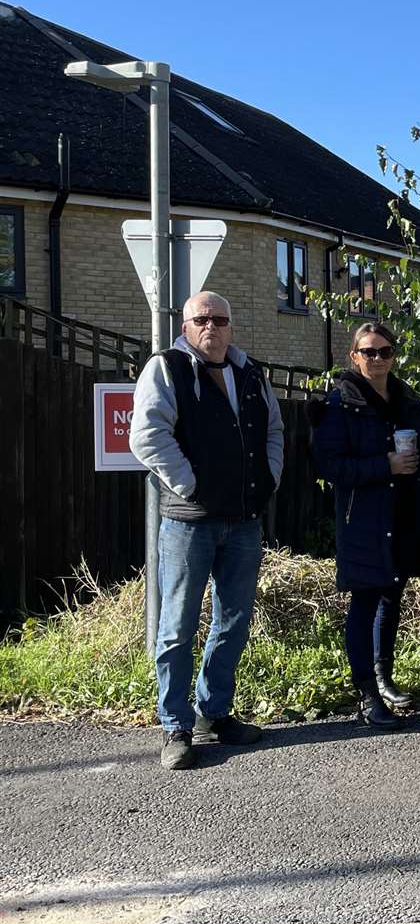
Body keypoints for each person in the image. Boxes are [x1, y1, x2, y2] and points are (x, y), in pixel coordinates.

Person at [129, 291, 283, 770]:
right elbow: (146, 434)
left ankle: (213, 713)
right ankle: (175, 725)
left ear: (231, 326)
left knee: (233, 621)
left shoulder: (250, 373)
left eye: (219, 319)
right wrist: (189, 483)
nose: (211, 327)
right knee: (176, 626)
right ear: (185, 324)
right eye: (201, 319)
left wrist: (270, 479)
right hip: (188, 522)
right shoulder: (167, 368)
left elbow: (274, 430)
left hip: (243, 522)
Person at [310, 322, 420, 728]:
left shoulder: (405, 398)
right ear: (354, 356)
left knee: (392, 598)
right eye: (369, 352)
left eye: (385, 351)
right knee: (365, 601)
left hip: (403, 514)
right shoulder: (341, 402)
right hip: (364, 519)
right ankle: (367, 693)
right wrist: (384, 465)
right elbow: (327, 465)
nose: (378, 359)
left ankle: (384, 677)